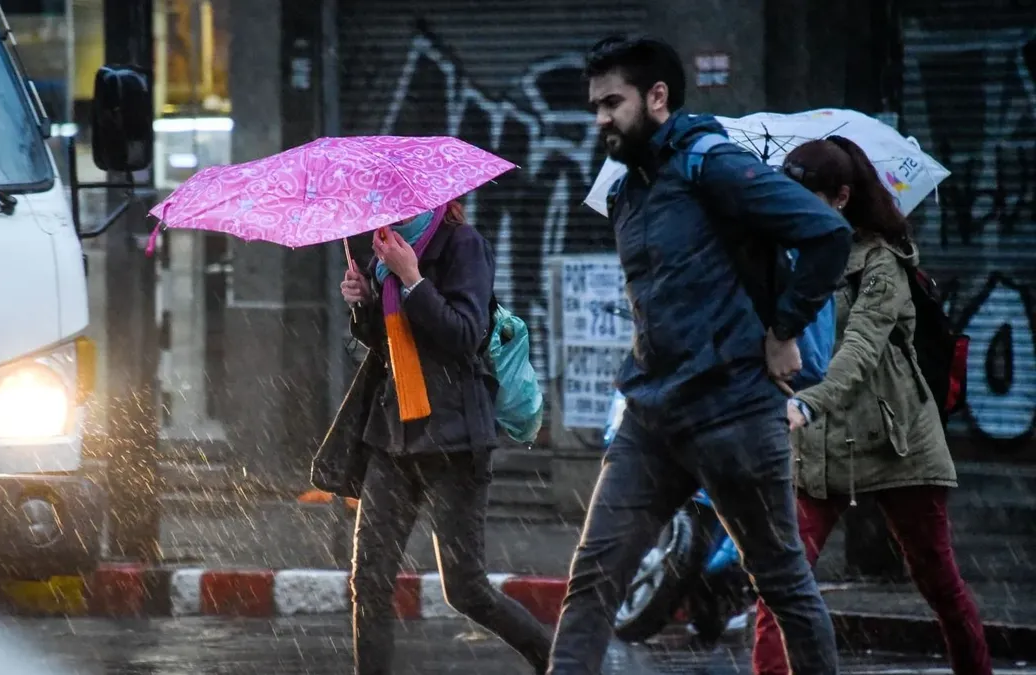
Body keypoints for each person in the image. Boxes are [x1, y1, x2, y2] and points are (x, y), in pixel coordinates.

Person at [547, 36, 853, 675]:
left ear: (657, 97)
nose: (600, 117)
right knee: (594, 579)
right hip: (652, 416)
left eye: (613, 102)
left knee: (783, 585)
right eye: (595, 105)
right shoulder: (628, 190)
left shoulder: (711, 165)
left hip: (733, 412)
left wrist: (784, 329)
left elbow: (827, 232)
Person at [752, 137, 993, 675]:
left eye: (805, 200)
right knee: (780, 587)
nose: (791, 213)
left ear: (840, 197)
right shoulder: (785, 259)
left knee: (939, 583)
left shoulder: (880, 263)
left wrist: (811, 402)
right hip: (820, 448)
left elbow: (860, 349)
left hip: (897, 441)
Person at [335, 201, 553, 675]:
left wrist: (412, 280)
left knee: (465, 588)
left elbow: (463, 335)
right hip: (393, 436)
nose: (386, 208)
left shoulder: (464, 246)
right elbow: (391, 345)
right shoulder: (381, 251)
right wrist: (364, 304)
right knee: (369, 580)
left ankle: (556, 660)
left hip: (455, 439)